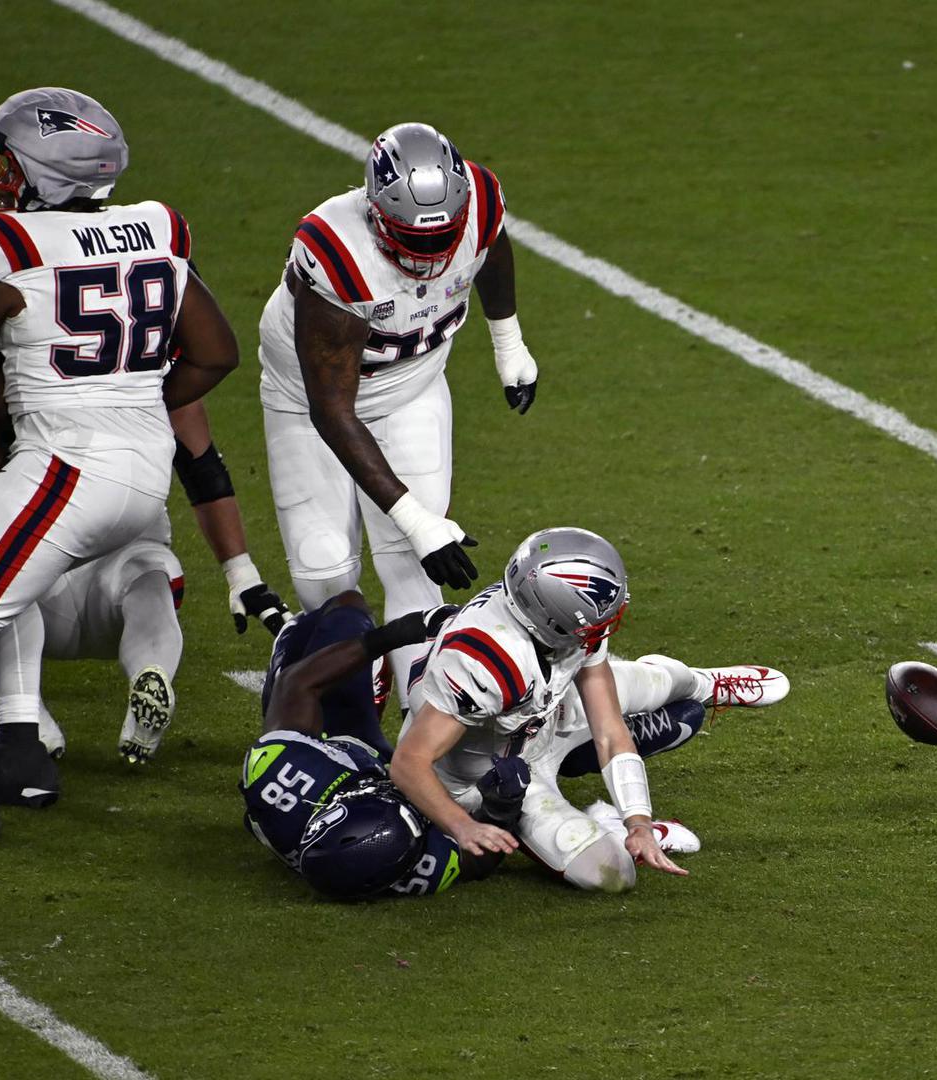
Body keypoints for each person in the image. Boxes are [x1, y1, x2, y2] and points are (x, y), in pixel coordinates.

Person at [0, 86, 238, 842]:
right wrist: (132, 397)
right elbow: (215, 352)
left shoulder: (13, 243)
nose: (0, 176)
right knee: (7, 592)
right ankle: (19, 754)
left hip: (70, 465)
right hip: (146, 460)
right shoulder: (158, 226)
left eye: (7, 161)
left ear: (42, 169)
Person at [257, 121, 540, 705]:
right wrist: (417, 519)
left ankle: (422, 721)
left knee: (417, 568)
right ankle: (337, 686)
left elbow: (489, 249)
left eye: (445, 240)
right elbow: (332, 411)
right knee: (324, 576)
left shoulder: (479, 202)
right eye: (417, 239)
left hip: (413, 384)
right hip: (310, 402)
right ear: (376, 212)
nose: (434, 256)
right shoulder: (338, 253)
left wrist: (507, 342)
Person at [390, 527, 790, 893]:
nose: (610, 620)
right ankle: (606, 825)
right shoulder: (486, 662)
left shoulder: (545, 615)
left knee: (651, 684)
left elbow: (610, 730)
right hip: (492, 777)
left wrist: (641, 822)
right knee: (610, 874)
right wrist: (462, 825)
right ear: (554, 619)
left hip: (541, 715)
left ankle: (704, 683)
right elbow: (409, 762)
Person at [242, 591, 712, 899]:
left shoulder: (278, 774)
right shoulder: (416, 866)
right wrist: (495, 814)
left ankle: (354, 664)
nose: (396, 801)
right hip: (443, 764)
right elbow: (477, 858)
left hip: (353, 753)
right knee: (602, 872)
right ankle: (594, 806)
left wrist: (395, 634)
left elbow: (298, 686)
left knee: (344, 611)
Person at [0, 369, 288, 765]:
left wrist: (4, 482)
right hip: (123, 540)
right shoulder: (156, 367)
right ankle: (149, 673)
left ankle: (29, 725)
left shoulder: (32, 355)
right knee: (152, 576)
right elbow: (205, 471)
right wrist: (241, 573)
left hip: (45, 553)